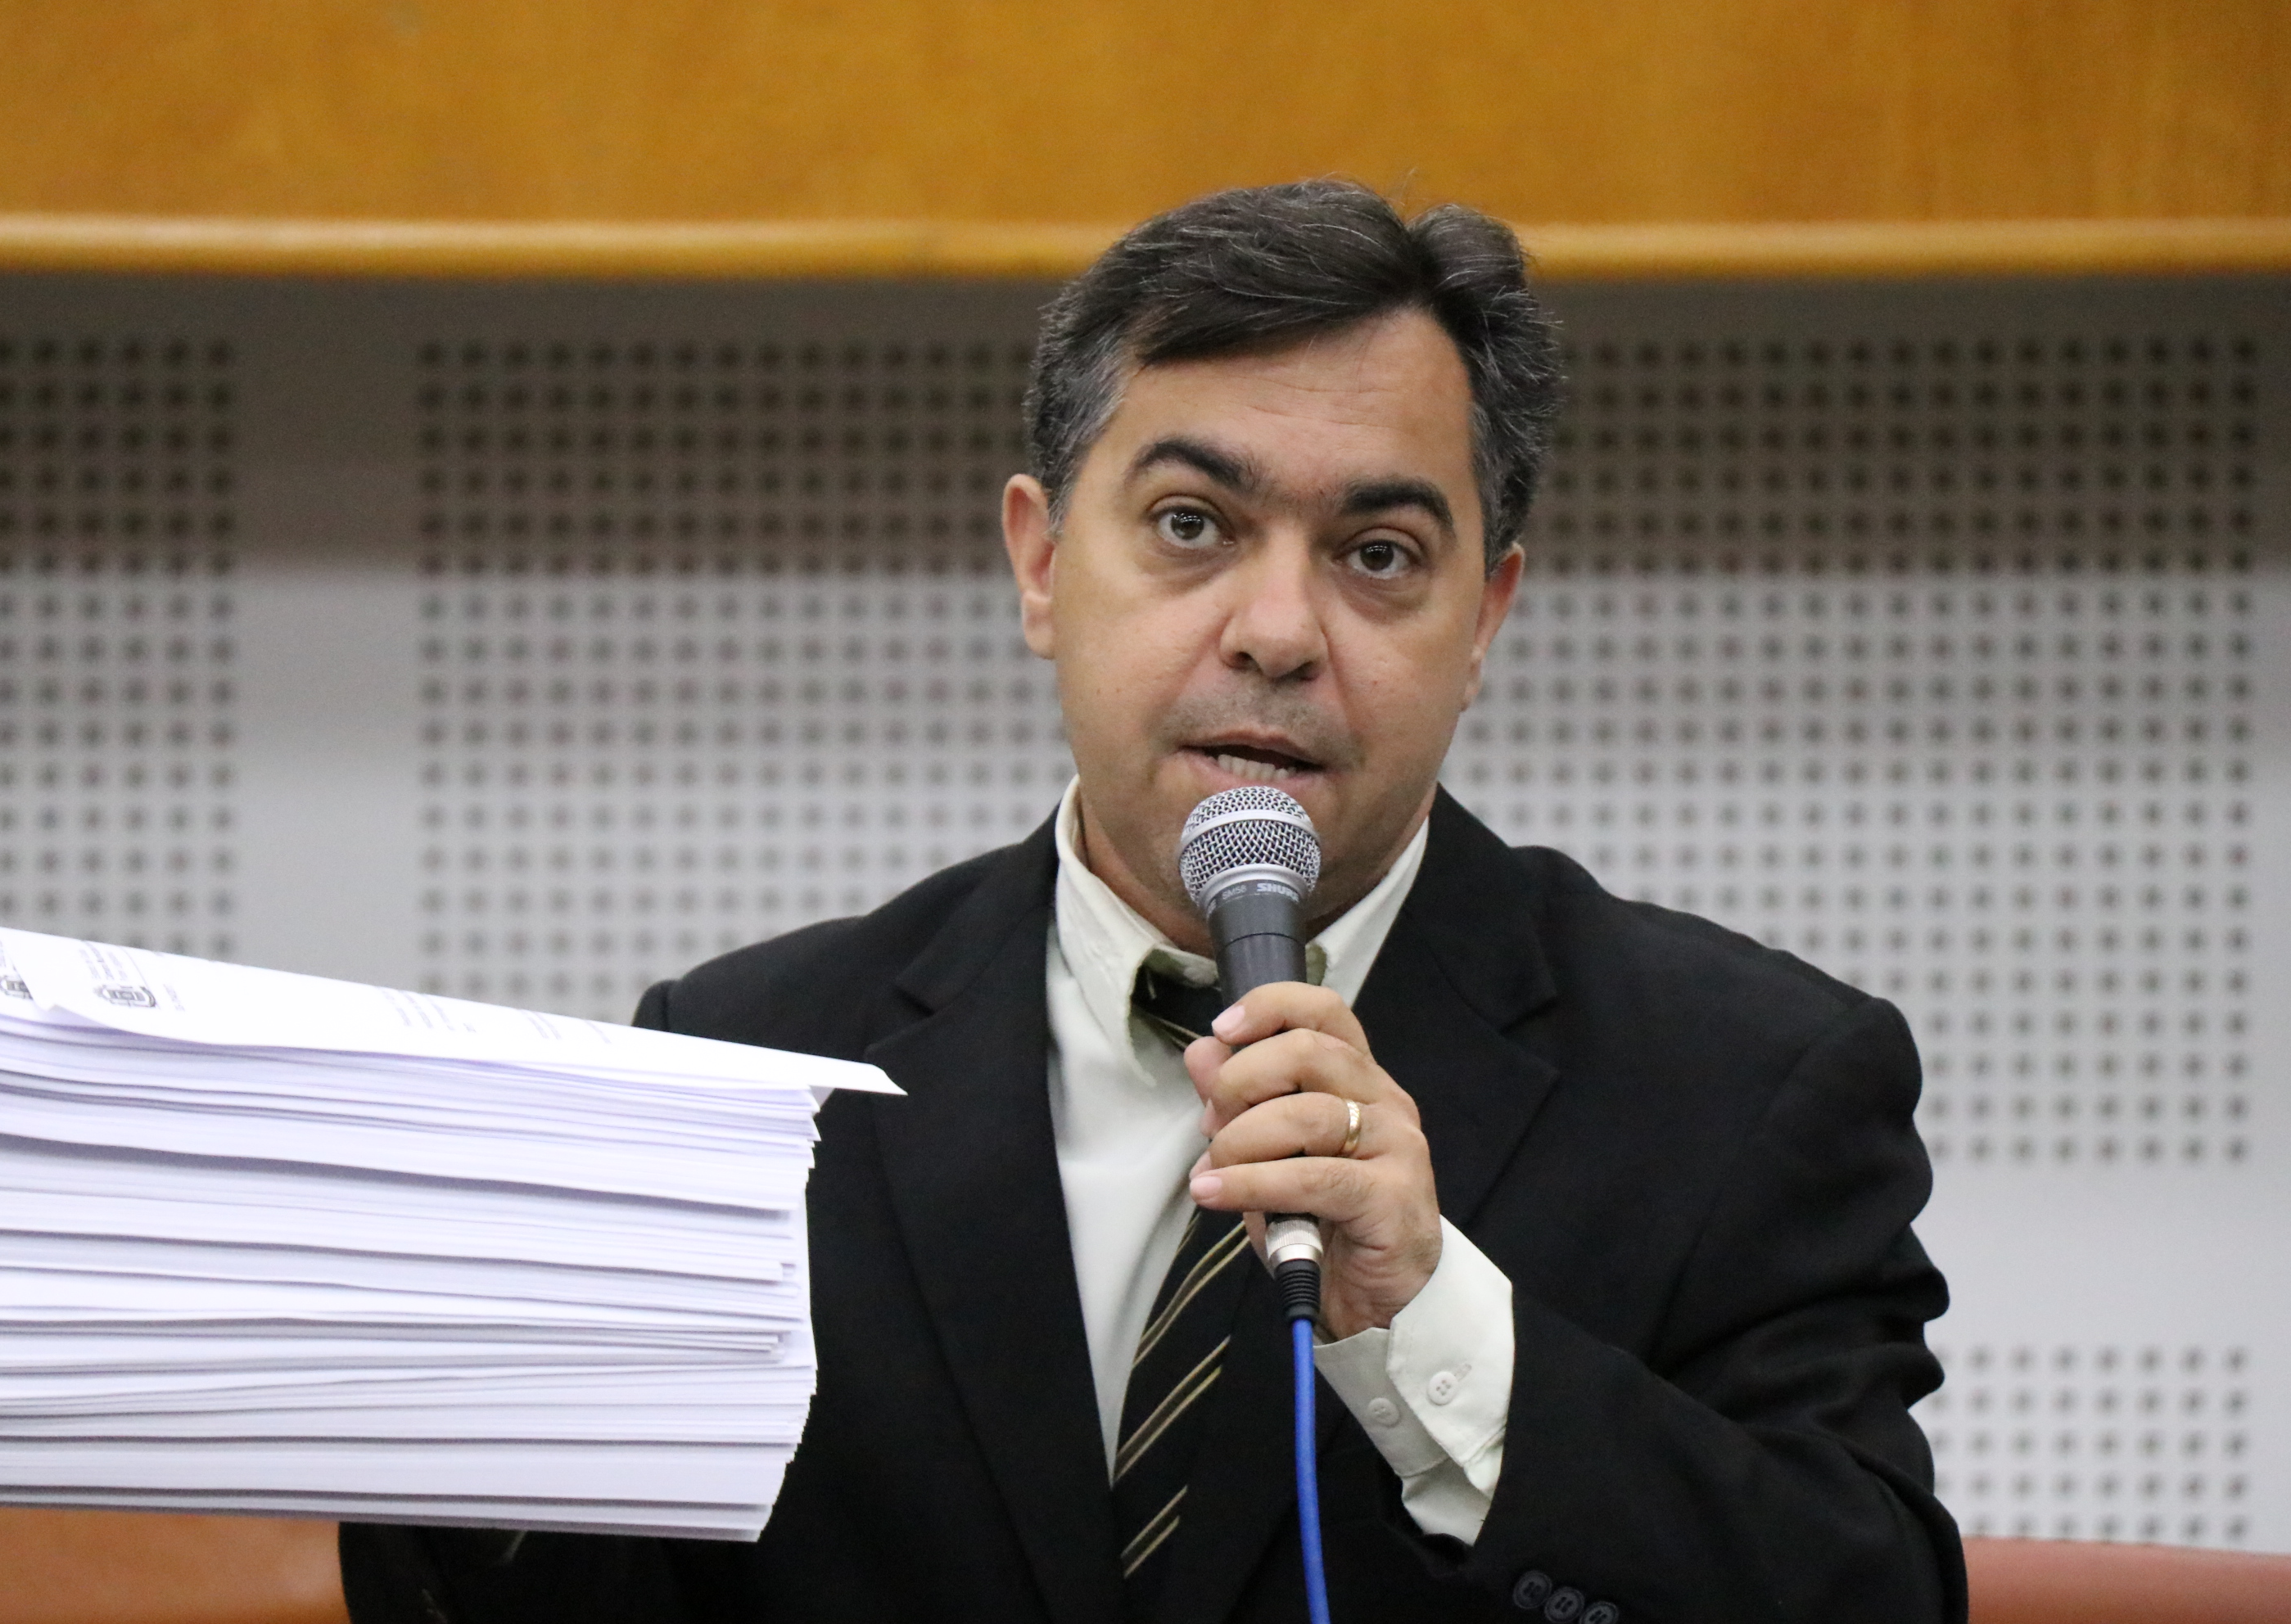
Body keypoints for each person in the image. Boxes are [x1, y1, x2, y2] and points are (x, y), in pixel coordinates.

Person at [342, 180, 1962, 1623]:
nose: (1278, 629)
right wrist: (454, 1386)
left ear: (1486, 616)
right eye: (1194, 526)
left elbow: (1868, 1593)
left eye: (1379, 553)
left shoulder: (1744, 1083)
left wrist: (1434, 1319)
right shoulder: (753, 1064)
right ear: (1043, 564)